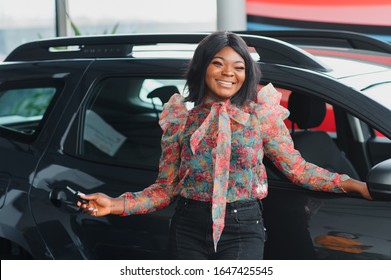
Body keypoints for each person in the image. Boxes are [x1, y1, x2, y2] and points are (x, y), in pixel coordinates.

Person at [78, 31, 372, 260]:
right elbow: (165, 189)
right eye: (217, 63)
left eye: (238, 66)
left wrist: (355, 185)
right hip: (187, 228)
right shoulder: (180, 119)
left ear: (246, 74)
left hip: (243, 228)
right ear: (202, 68)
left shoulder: (261, 115)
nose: (228, 72)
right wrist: (116, 204)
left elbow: (297, 169)